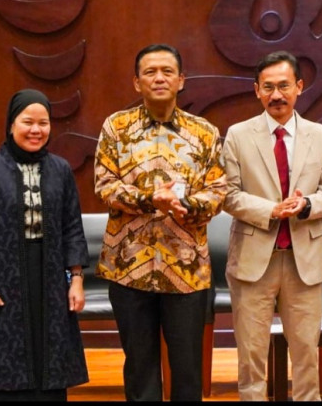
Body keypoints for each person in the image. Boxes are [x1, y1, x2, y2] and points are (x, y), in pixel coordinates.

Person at [93, 44, 226, 401]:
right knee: (139, 367)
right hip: (128, 267)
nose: (159, 78)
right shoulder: (116, 127)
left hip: (185, 269)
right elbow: (104, 186)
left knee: (187, 370)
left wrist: (185, 205)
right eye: (150, 72)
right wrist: (152, 199)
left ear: (182, 80)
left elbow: (217, 190)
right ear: (137, 82)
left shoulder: (204, 132)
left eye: (167, 71)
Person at [0, 89, 89, 401]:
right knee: (3, 362)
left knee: (51, 360)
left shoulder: (61, 169)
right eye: (28, 121)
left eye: (43, 122)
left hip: (50, 276)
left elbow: (72, 229)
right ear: (11, 124)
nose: (36, 130)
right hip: (1, 277)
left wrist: (76, 279)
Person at [222, 51, 322, 401]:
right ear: (256, 90)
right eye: (268, 87)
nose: (277, 95)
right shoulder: (238, 135)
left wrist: (306, 205)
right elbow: (227, 194)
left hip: (304, 259)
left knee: (306, 354)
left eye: (284, 86)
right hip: (253, 260)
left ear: (299, 87)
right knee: (251, 357)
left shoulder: (321, 136)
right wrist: (271, 210)